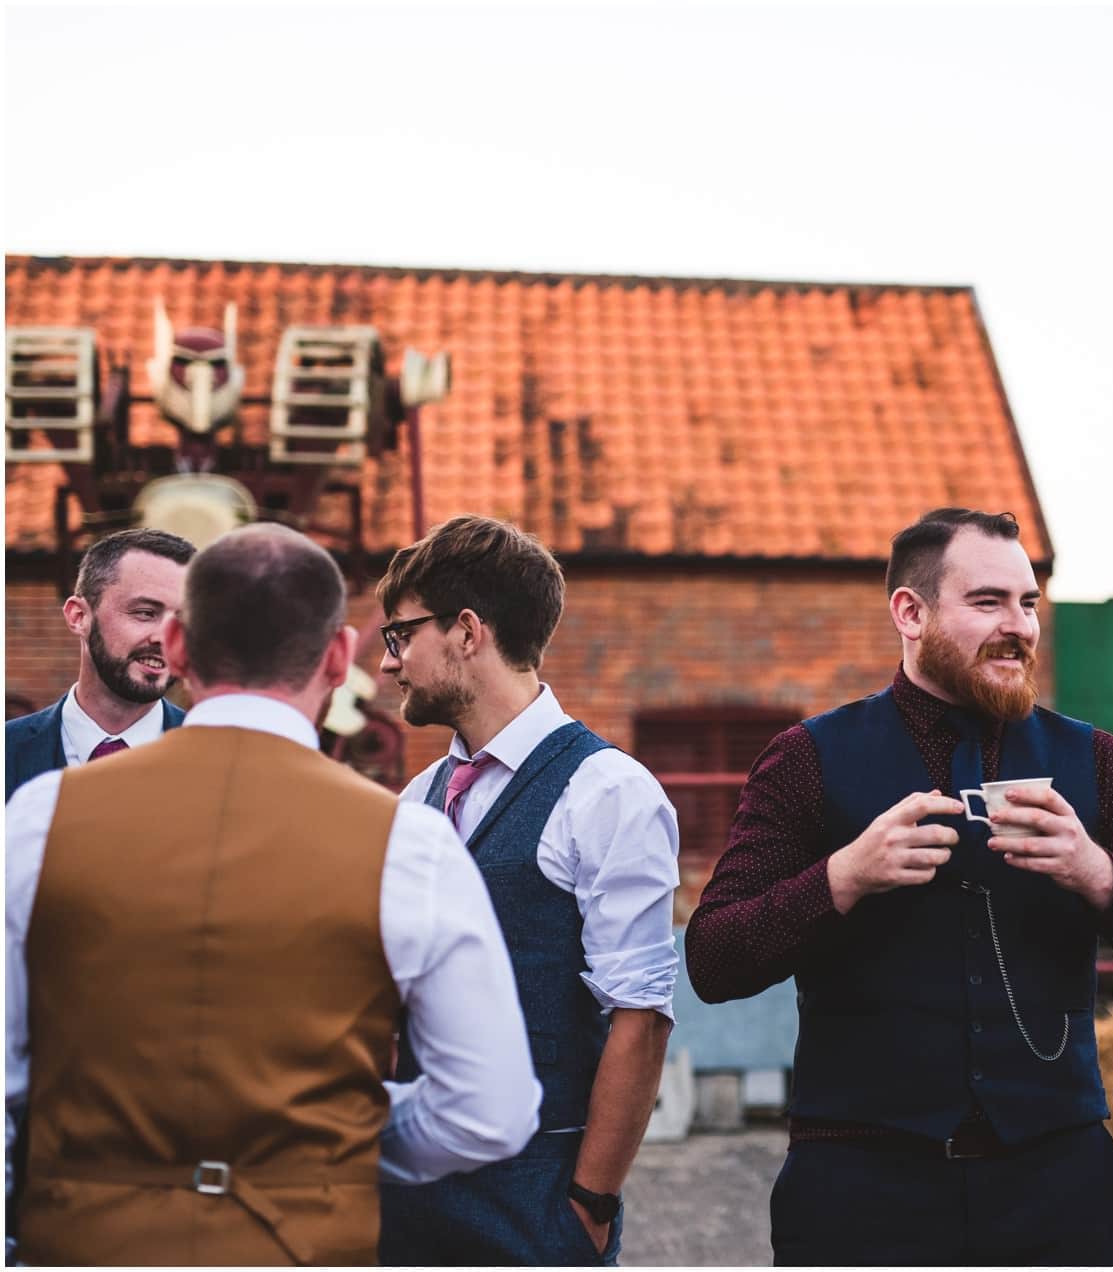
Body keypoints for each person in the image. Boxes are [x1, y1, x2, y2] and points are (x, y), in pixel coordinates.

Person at [684, 507, 1113, 1267]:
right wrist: (842, 877)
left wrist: (1097, 872)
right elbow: (712, 961)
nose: (1019, 627)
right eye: (988, 602)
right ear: (911, 613)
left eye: (1028, 603)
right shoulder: (806, 759)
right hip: (860, 1192)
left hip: (1057, 1189)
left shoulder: (1099, 761)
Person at [4, 524, 541, 1265]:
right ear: (337, 659)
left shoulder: (41, 816)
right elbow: (491, 1112)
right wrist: (334, 1141)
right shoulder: (408, 844)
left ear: (179, 647)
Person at [373, 514, 680, 1266]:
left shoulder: (608, 790)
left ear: (466, 631)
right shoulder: (418, 797)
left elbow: (640, 1018)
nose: (387, 663)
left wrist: (590, 1205)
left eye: (400, 634)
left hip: (536, 1203)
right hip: (407, 1197)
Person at [5, 527, 196, 800]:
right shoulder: (8, 751)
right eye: (145, 613)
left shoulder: (221, 763)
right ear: (79, 616)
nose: (165, 637)